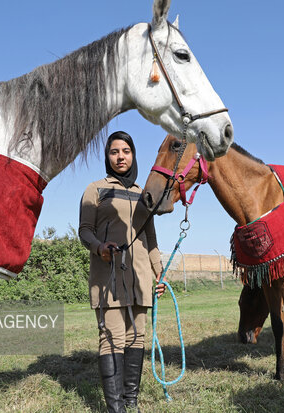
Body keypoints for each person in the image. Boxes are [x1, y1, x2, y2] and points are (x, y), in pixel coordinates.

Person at [79, 131, 165, 413]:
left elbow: (150, 239)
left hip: (141, 278)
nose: (120, 157)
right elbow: (85, 231)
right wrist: (99, 247)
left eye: (125, 151)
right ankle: (115, 408)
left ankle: (131, 402)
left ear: (133, 154)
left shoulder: (144, 194)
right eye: (114, 152)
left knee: (137, 338)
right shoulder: (95, 189)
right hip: (108, 276)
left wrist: (160, 274)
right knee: (112, 338)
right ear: (108, 157)